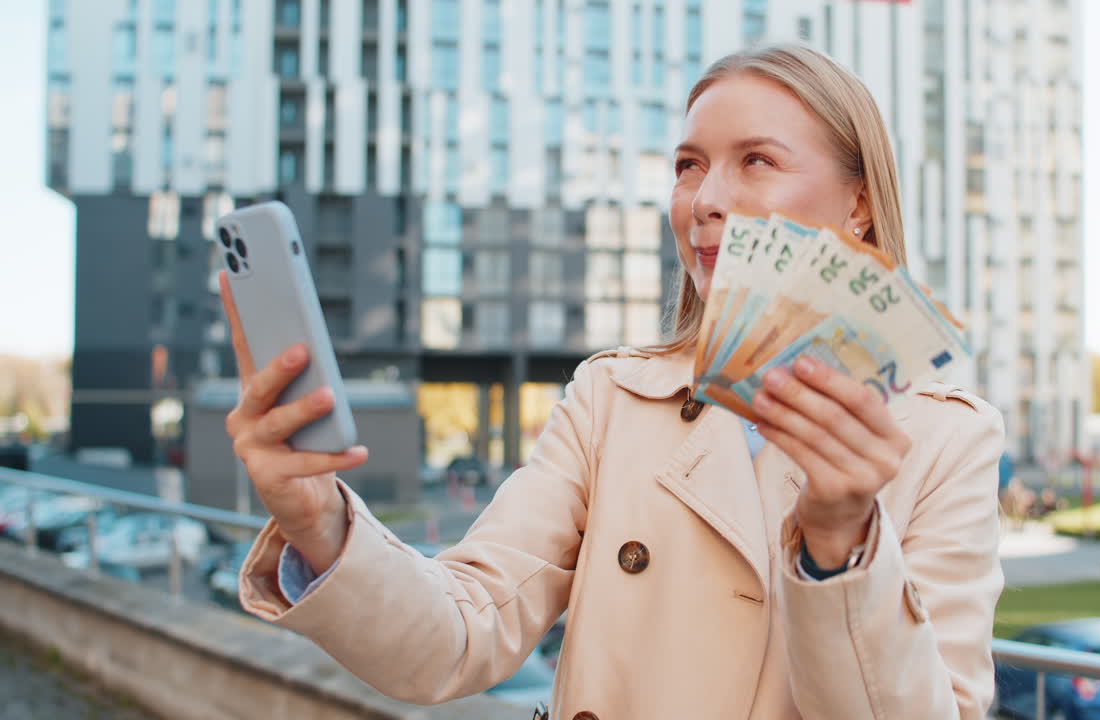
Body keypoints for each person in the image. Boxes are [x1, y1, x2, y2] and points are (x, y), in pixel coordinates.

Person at [224, 44, 1005, 719]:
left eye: (756, 161)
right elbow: (456, 637)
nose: (705, 201)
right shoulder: (613, 400)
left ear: (859, 202)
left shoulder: (944, 442)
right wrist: (319, 523)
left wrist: (841, 546)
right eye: (688, 166)